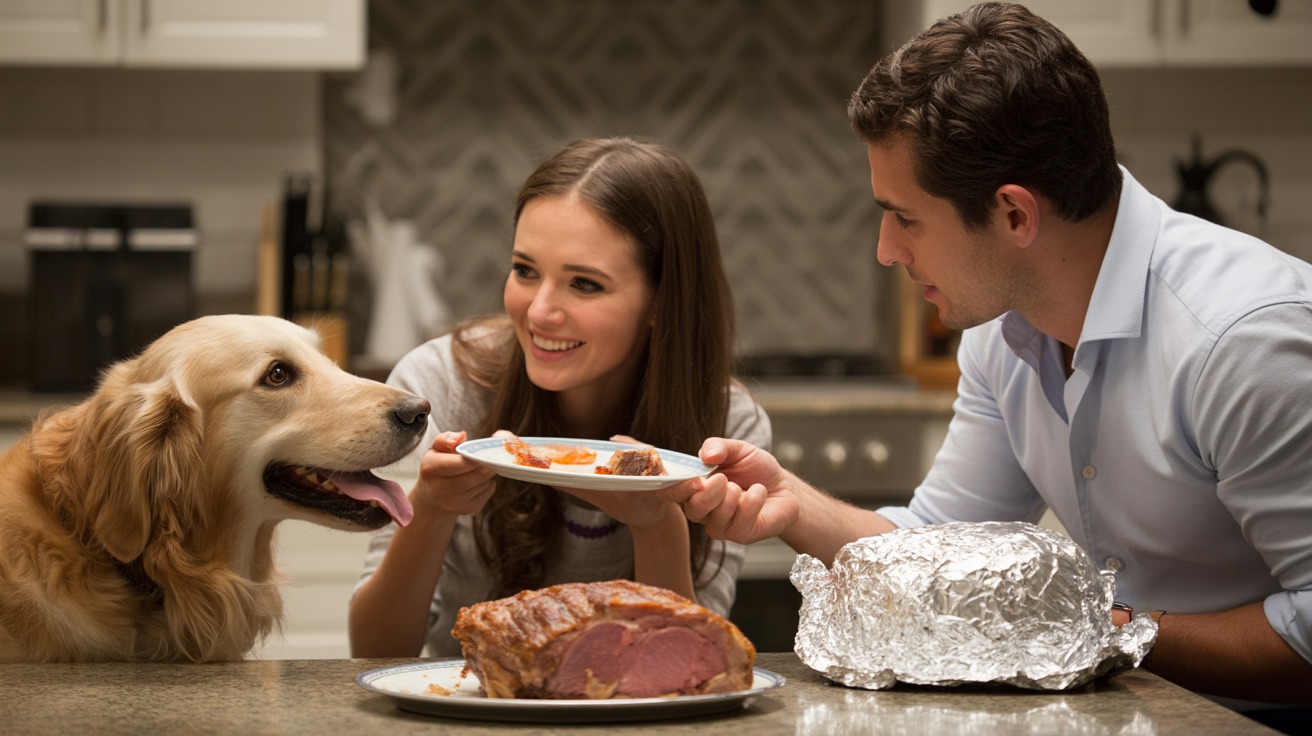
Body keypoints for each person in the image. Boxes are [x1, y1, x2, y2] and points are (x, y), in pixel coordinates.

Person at [659, 1, 1312, 719]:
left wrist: (1104, 631)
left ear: (1014, 215)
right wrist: (791, 502)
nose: (887, 250)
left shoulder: (1244, 343)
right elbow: (935, 548)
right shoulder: (1007, 332)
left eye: (906, 217)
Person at [349, 136, 772, 658]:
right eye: (525, 271)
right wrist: (432, 510)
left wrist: (657, 523)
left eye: (585, 285)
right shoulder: (439, 385)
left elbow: (685, 668)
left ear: (662, 301)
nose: (539, 311)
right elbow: (375, 651)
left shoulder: (727, 426)